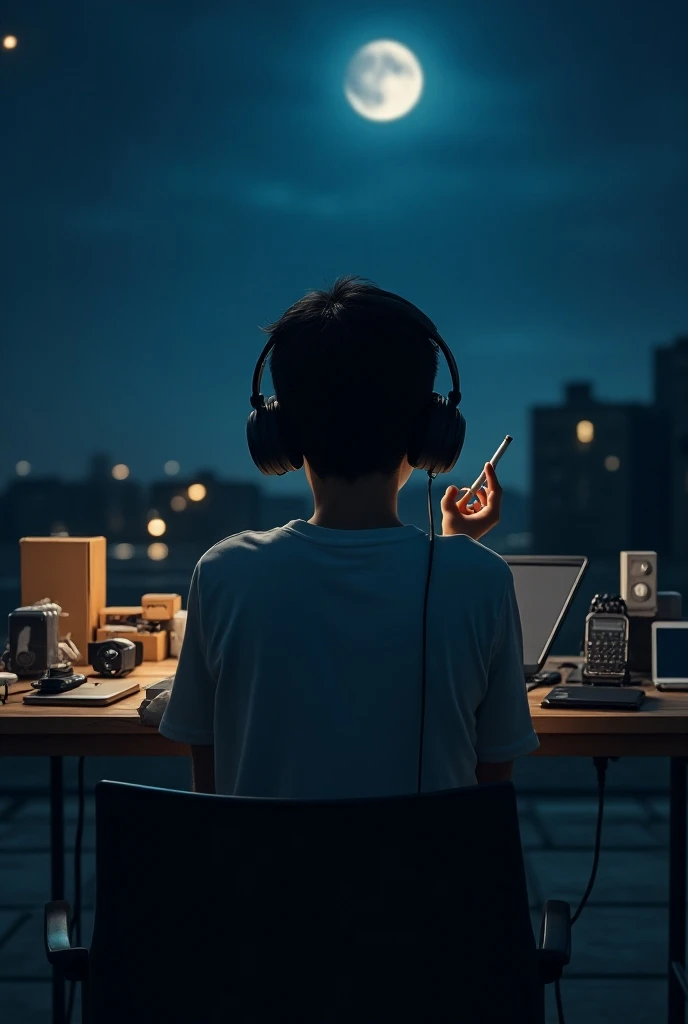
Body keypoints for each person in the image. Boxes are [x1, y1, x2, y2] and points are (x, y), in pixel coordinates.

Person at [159, 276, 539, 796]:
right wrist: (457, 553)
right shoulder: (481, 580)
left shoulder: (223, 573)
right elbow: (491, 784)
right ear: (428, 435)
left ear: (281, 435)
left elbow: (210, 786)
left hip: (261, 879)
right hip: (427, 880)